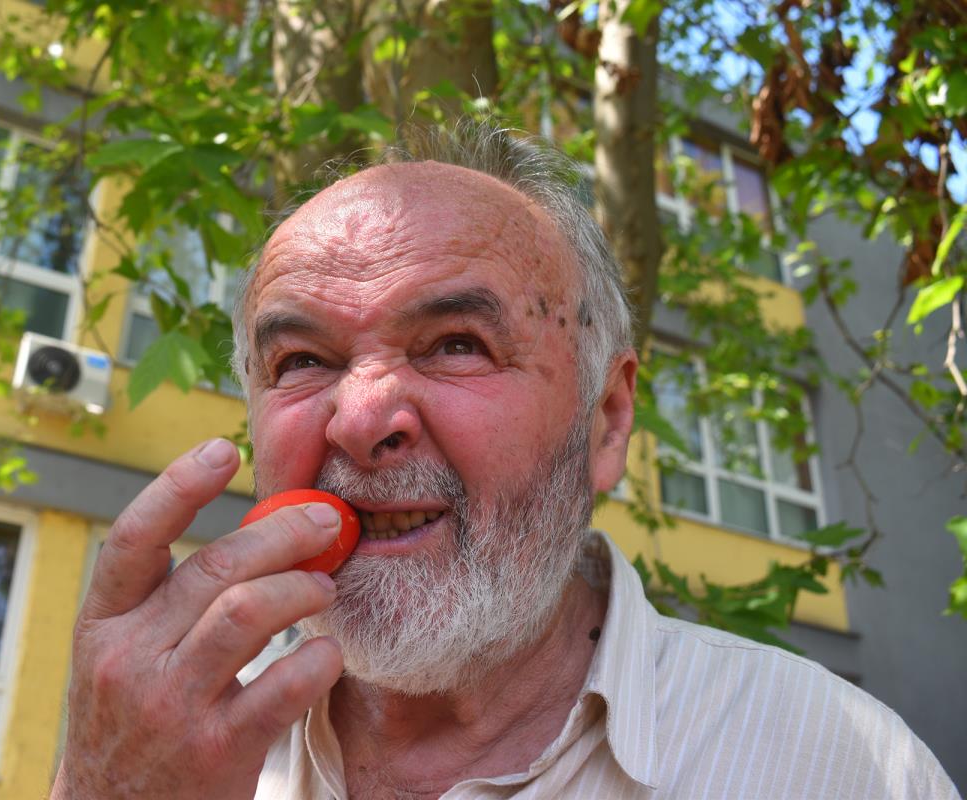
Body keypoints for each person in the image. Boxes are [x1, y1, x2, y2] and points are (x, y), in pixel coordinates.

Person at [50, 123, 959, 799]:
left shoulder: (838, 764)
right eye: (303, 363)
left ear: (607, 420)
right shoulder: (161, 747)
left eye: (455, 345)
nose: (359, 420)